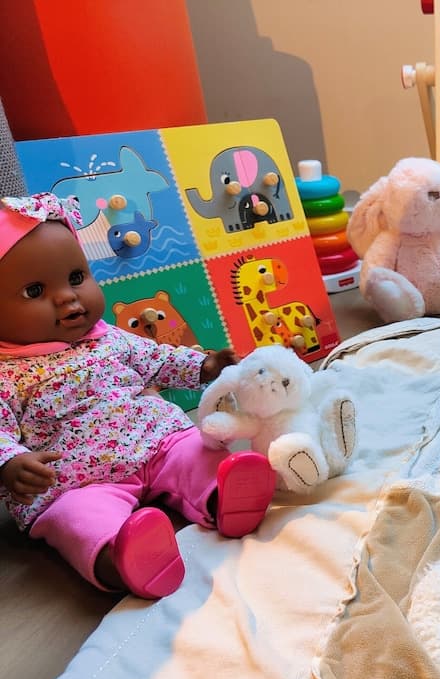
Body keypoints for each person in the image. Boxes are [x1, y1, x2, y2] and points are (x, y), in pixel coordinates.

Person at [0, 193, 277, 599]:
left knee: (195, 452)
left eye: (76, 278)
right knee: (78, 520)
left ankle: (225, 496)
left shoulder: (108, 338)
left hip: (158, 443)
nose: (67, 297)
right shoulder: (6, 373)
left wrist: (205, 366)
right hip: (77, 482)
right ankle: (122, 557)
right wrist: (10, 463)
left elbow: (158, 358)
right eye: (35, 290)